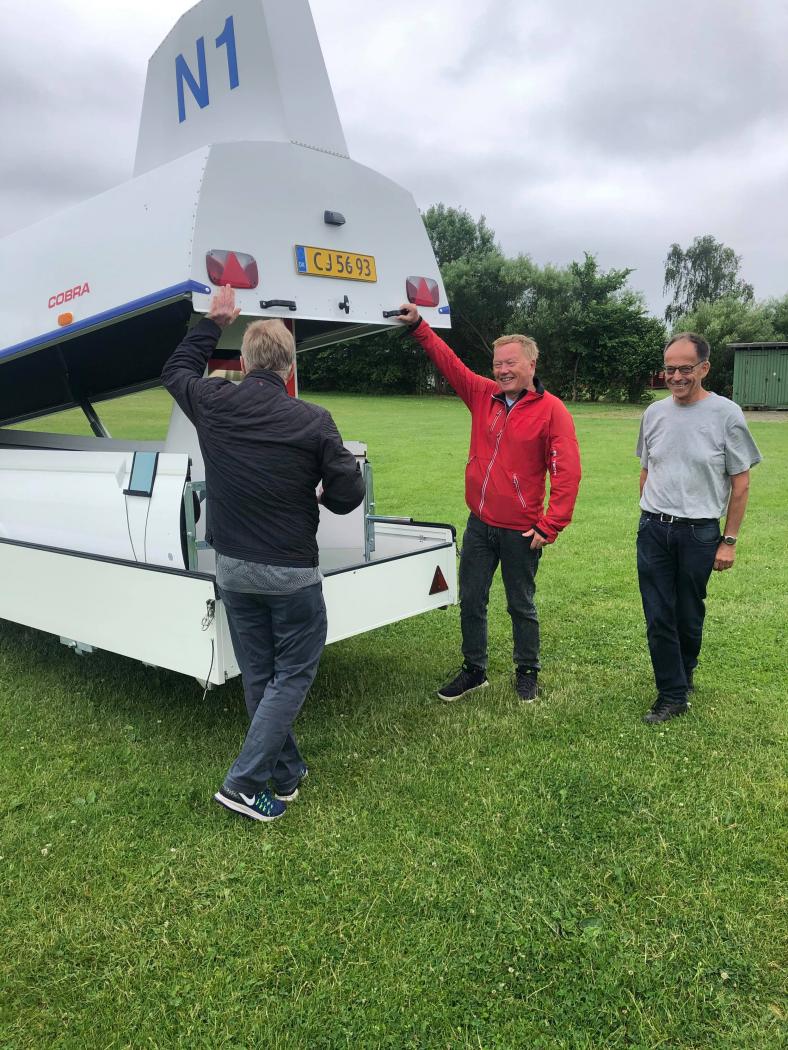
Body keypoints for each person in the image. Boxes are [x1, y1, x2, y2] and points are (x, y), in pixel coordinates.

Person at [162, 286, 365, 821]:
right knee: (291, 675)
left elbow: (176, 370)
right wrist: (325, 494)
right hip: (291, 572)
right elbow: (349, 492)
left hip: (232, 568)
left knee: (260, 674)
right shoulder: (313, 420)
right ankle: (244, 784)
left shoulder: (213, 402)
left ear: (247, 361)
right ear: (288, 366)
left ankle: (286, 771)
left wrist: (213, 322)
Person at [397, 304, 581, 702]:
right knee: (471, 600)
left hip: (521, 530)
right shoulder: (483, 394)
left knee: (521, 605)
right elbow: (450, 364)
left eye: (510, 363)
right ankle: (474, 669)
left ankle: (527, 671)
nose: (502, 370)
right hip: (480, 523)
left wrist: (551, 524)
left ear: (531, 364)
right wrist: (419, 326)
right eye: (498, 364)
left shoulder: (552, 411)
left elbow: (567, 472)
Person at [636, 332, 761, 724]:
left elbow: (741, 483)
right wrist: (649, 514)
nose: (676, 376)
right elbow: (647, 469)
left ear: (704, 368)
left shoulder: (727, 415)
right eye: (669, 369)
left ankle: (684, 671)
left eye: (685, 368)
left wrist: (729, 541)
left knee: (688, 613)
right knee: (658, 614)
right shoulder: (653, 413)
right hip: (654, 528)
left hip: (699, 533)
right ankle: (672, 694)